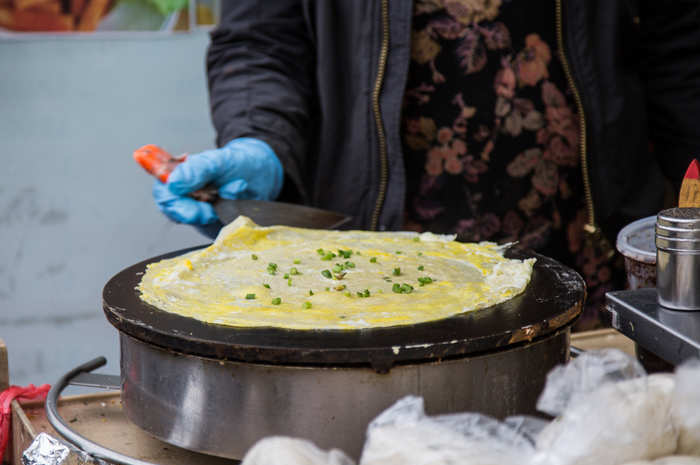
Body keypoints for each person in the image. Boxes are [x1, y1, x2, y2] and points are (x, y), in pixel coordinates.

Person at [152, 0, 700, 330]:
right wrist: (262, 139)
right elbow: (261, 41)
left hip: (590, 260)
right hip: (366, 269)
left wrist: (688, 218)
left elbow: (680, 49)